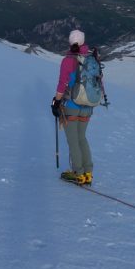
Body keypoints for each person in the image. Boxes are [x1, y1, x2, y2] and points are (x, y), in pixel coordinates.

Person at [52, 29, 95, 185]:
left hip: (71, 104)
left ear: (70, 42)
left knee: (73, 140)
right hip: (88, 105)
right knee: (82, 137)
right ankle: (87, 172)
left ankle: (78, 172)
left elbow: (62, 84)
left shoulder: (69, 60)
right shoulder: (91, 58)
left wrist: (56, 102)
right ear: (83, 42)